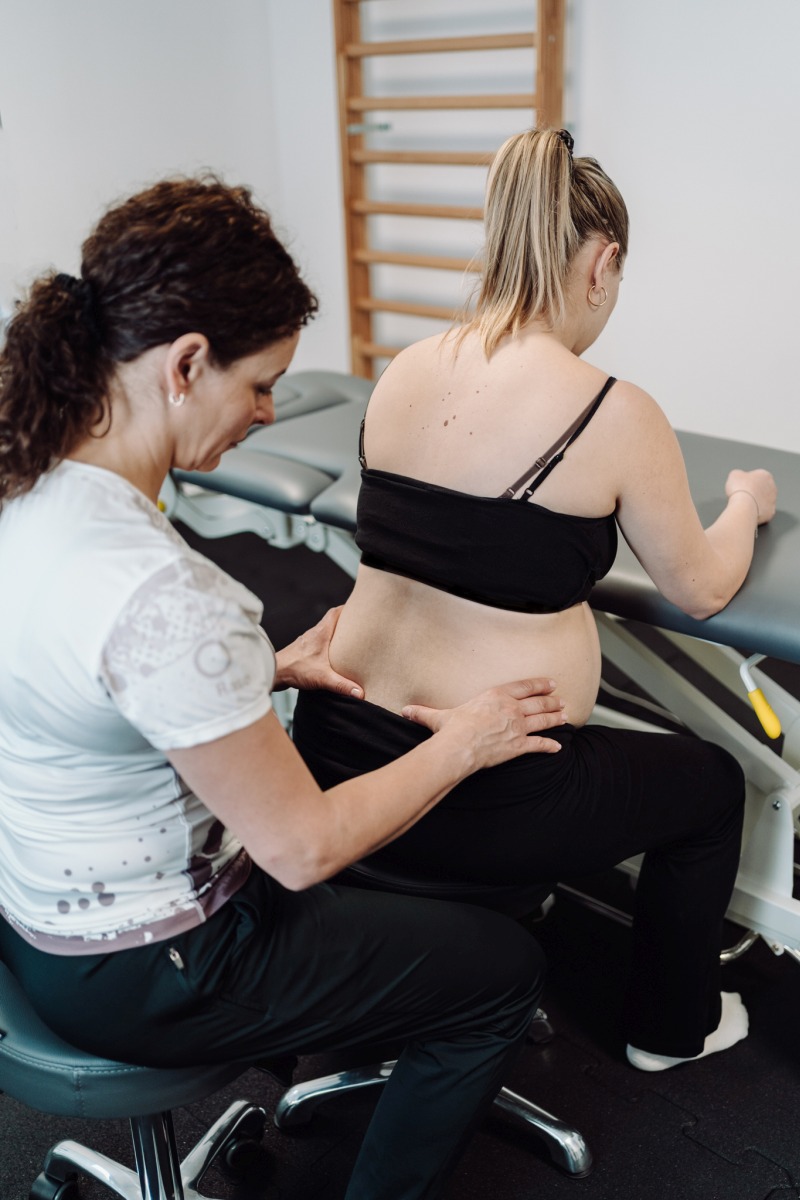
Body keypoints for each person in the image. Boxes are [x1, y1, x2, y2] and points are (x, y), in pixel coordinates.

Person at [0, 176, 571, 1200]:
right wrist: (467, 740)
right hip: (154, 968)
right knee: (500, 970)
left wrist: (259, 668)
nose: (267, 412)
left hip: (33, 915)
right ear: (185, 364)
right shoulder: (165, 594)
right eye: (260, 383)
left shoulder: (25, 487)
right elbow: (302, 851)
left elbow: (81, 667)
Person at [291, 127, 779, 1074]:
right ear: (602, 264)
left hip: (334, 758)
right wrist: (746, 505)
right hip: (478, 797)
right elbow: (702, 586)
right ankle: (670, 1030)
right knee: (714, 786)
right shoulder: (612, 409)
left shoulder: (403, 370)